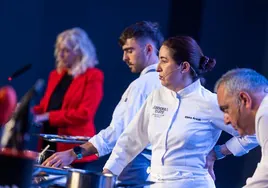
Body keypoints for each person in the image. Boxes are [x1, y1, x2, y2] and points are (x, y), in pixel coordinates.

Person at [102, 36, 258, 187]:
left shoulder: (211, 102)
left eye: (164, 60)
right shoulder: (156, 96)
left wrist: (220, 151)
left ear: (184, 67)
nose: (157, 68)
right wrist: (108, 173)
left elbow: (254, 132)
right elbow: (132, 139)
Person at [42, 21, 164, 182]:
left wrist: (73, 153)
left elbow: (116, 133)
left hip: (135, 167)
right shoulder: (170, 85)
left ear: (148, 49)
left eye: (130, 51)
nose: (124, 58)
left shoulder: (141, 86)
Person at [32, 27, 104, 168]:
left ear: (79, 52)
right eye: (59, 50)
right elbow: (45, 106)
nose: (61, 55)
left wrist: (48, 116)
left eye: (66, 50)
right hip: (48, 143)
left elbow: (85, 113)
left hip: (72, 148)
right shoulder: (56, 74)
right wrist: (27, 111)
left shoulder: (93, 75)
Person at [215, 68, 268, 187]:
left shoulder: (265, 113)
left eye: (226, 109)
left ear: (244, 99)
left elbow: (265, 179)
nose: (226, 120)